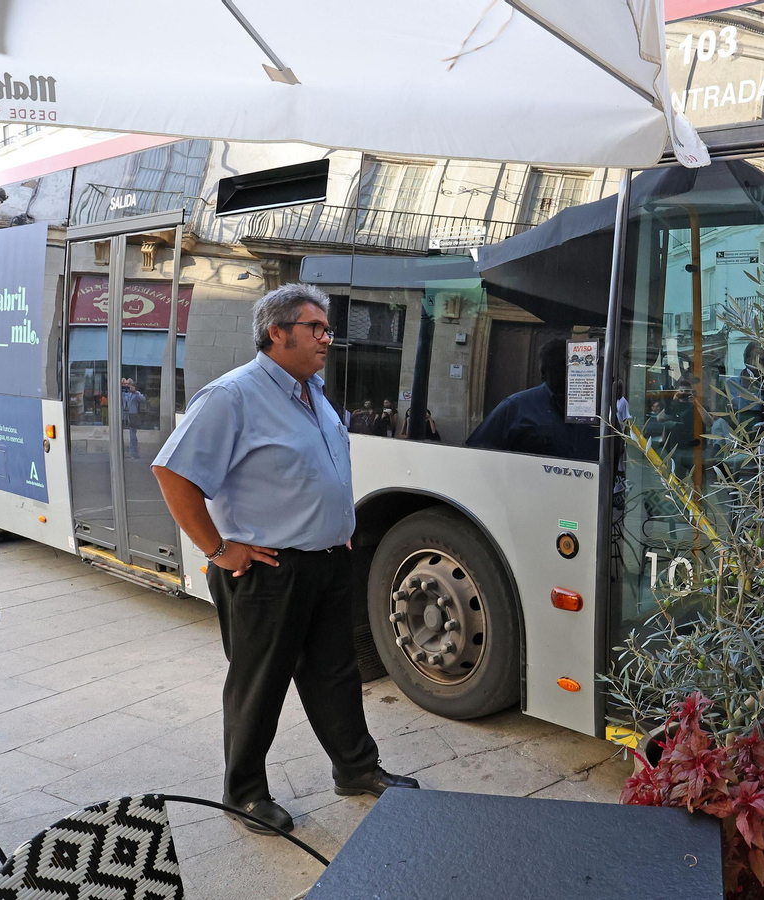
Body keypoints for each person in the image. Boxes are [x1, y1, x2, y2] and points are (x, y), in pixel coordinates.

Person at [150, 283, 415, 836]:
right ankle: (244, 794)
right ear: (278, 332)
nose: (327, 339)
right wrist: (219, 550)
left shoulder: (312, 392)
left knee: (336, 673)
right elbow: (172, 473)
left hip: (326, 562)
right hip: (267, 570)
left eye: (327, 329)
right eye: (316, 328)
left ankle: (356, 768)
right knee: (260, 684)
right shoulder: (232, 395)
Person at [466, 339, 597, 460]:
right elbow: (477, 452)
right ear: (544, 372)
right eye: (563, 365)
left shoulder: (597, 408)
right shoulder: (516, 406)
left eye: (576, 366)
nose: (571, 372)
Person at [120, 378, 147, 459]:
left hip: (132, 414)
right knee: (119, 434)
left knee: (132, 435)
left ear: (132, 385)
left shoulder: (134, 394)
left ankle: (133, 452)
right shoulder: (120, 393)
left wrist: (135, 392)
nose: (126, 386)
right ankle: (121, 452)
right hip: (122, 414)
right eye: (124, 384)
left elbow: (143, 399)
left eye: (128, 384)